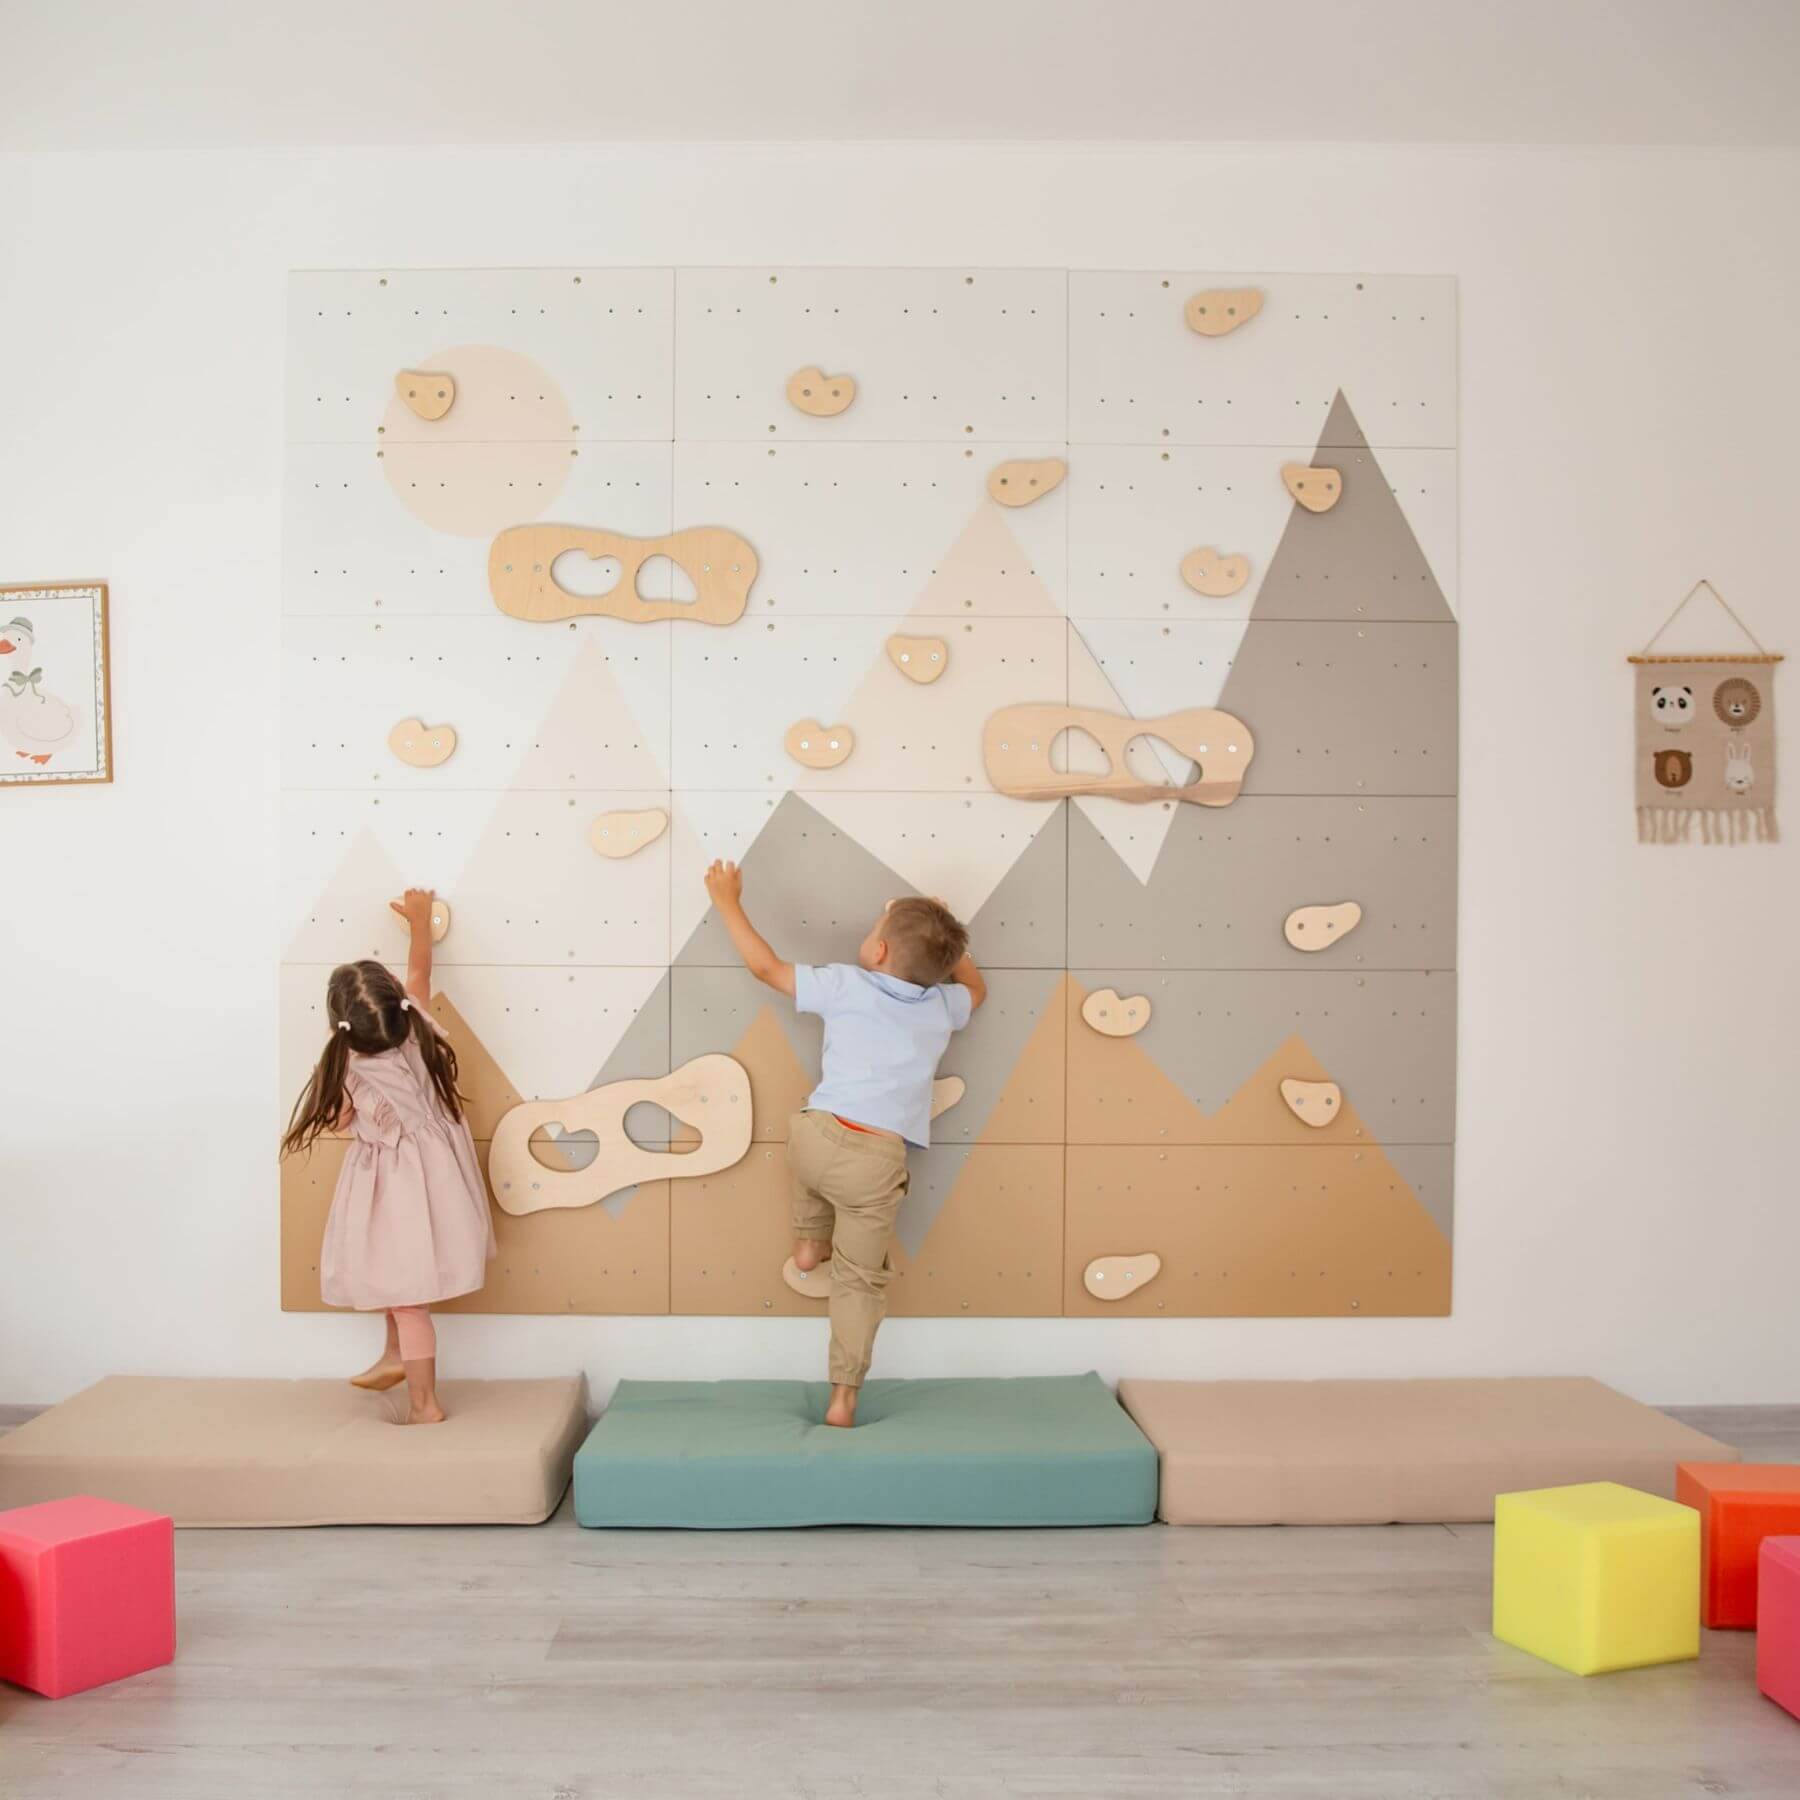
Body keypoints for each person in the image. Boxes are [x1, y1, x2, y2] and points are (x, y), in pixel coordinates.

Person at [702, 861, 985, 1427]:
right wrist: (941, 932)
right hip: (876, 1160)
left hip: (816, 1131)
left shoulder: (846, 984)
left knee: (810, 1170)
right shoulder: (942, 1006)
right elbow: (976, 986)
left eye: (874, 931)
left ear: (878, 952)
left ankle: (808, 1246)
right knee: (858, 1283)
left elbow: (766, 967)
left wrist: (727, 901)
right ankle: (843, 1398)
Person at [280, 888, 494, 1425]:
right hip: (440, 1177)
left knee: (406, 1295)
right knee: (396, 1278)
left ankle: (426, 1405)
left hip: (397, 1190)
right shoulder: (415, 1019)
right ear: (396, 997)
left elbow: (337, 1121)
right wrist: (421, 922)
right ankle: (396, 1355)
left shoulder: (345, 1069)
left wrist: (345, 1110)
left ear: (338, 1027)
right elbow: (420, 966)